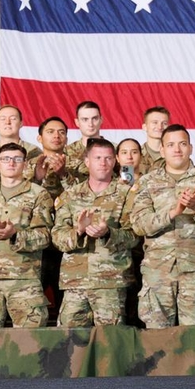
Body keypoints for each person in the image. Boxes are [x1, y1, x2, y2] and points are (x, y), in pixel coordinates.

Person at [128, 124, 195, 328]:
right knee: (157, 338)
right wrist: (173, 212)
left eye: (182, 144)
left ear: (191, 147)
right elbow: (139, 225)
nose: (177, 149)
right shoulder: (147, 182)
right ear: (162, 150)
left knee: (193, 336)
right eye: (171, 145)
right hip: (158, 270)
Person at [53, 138, 139, 326]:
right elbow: (57, 237)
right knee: (70, 344)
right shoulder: (70, 195)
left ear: (115, 161)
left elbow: (134, 236)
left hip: (111, 282)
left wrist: (108, 233)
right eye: (97, 157)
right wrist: (79, 231)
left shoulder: (127, 193)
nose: (103, 163)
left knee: (110, 342)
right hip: (75, 282)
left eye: (108, 158)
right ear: (86, 161)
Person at [0, 142, 53, 328]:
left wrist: (15, 234)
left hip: (25, 279)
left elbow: (45, 235)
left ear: (25, 164)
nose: (11, 163)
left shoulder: (39, 195)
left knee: (30, 341)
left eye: (17, 159)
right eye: (6, 159)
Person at [139, 106, 171, 174]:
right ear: (145, 127)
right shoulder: (135, 154)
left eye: (164, 123)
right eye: (155, 122)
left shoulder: (174, 154)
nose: (160, 127)